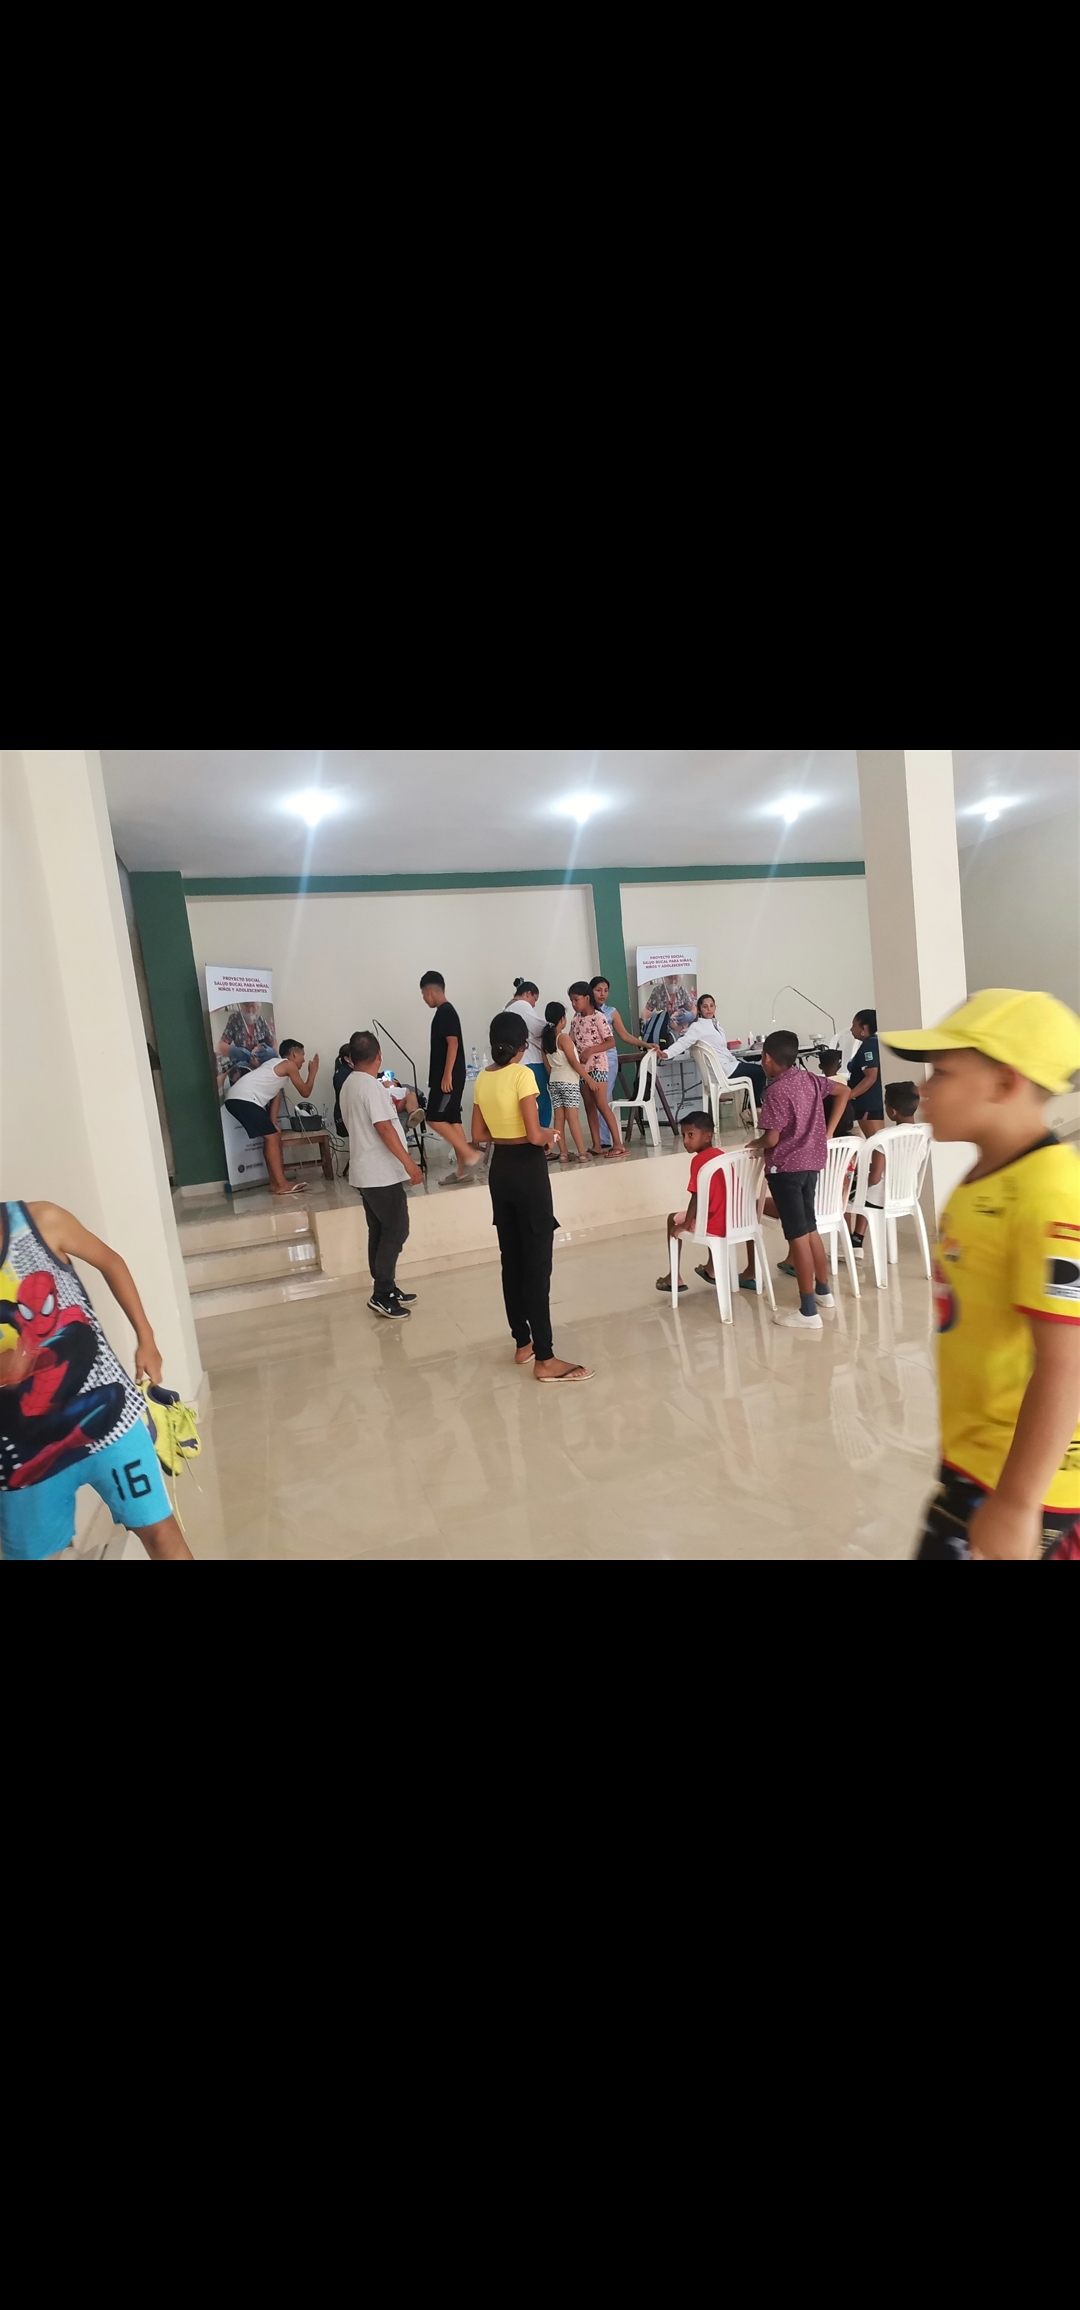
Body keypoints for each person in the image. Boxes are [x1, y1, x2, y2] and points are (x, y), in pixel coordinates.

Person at [879, 990, 1080, 1563]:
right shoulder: (983, 1177)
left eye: (942, 1072)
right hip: (976, 1464)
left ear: (1004, 1082)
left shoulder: (1051, 1196)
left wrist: (1018, 1503)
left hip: (1028, 1484)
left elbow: (1067, 1364)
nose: (924, 1088)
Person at [0, 1200, 193, 1560]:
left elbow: (111, 1262)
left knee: (161, 1534)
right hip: (23, 1452)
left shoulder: (41, 1221)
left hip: (112, 1426)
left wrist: (146, 1337)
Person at [471, 1015, 593, 1383]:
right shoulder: (522, 1075)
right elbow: (534, 1134)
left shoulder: (483, 1078)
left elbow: (478, 1133)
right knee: (537, 1265)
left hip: (501, 1173)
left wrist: (511, 1134)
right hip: (527, 1173)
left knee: (511, 1261)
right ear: (523, 1045)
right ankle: (546, 1358)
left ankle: (522, 1342)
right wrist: (551, 1134)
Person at [745, 1031, 841, 1331]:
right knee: (810, 1228)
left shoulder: (775, 1092)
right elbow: (844, 1091)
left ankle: (808, 1310)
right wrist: (829, 1131)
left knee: (797, 1237)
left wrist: (756, 1143)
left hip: (786, 1170)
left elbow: (772, 1139)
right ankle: (824, 1292)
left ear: (767, 1058)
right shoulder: (809, 1079)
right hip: (811, 1165)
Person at [340, 1033, 425, 1321]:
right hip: (380, 1172)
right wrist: (410, 1164)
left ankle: (386, 1285)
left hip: (366, 1170)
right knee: (397, 1230)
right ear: (379, 1055)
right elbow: (384, 1129)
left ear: (351, 1058)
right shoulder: (370, 1086)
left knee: (379, 1230)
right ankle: (382, 1293)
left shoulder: (350, 1083)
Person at [223, 1040, 321, 1197]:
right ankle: (282, 1184)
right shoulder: (289, 1065)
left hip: (236, 1099)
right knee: (272, 1138)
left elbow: (275, 1096)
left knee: (272, 1136)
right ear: (294, 1054)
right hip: (244, 1099)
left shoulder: (274, 1066)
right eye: (303, 1055)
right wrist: (313, 1072)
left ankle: (275, 1183)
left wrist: (273, 1122)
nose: (304, 1060)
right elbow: (305, 1092)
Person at [846, 1081, 923, 1258]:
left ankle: (848, 1246)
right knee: (866, 1188)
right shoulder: (922, 1133)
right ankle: (857, 1238)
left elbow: (874, 1179)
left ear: (892, 1111)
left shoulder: (884, 1138)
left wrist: (859, 1175)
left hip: (880, 1198)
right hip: (906, 1194)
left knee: (844, 1190)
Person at [420, 972, 482, 1186]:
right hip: (450, 1075)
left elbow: (452, 1043)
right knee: (453, 1119)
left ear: (430, 990)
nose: (424, 999)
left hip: (448, 1077)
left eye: (423, 994)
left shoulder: (445, 1012)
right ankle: (463, 1171)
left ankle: (469, 1154)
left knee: (434, 1117)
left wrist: (447, 1075)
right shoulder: (444, 1012)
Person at [656, 1114, 727, 1294]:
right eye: (683, 1135)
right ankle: (711, 1268)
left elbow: (696, 1198)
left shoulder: (699, 1160)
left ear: (708, 1136)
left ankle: (674, 1277)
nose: (685, 1141)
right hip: (732, 1220)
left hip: (714, 1224)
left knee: (672, 1219)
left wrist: (685, 1225)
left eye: (691, 1135)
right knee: (706, 1211)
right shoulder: (722, 1156)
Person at [663, 996, 767, 1110]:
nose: (709, 1009)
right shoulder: (697, 1027)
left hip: (728, 1065)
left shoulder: (716, 1024)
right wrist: (667, 1053)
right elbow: (683, 1042)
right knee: (761, 1072)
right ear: (699, 1010)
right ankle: (755, 1108)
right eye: (705, 1006)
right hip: (722, 1070)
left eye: (711, 1006)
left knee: (755, 1071)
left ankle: (753, 1107)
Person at [588, 977, 648, 1147]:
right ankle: (599, 1141)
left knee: (602, 1098)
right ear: (590, 991)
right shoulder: (582, 1013)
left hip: (608, 1059)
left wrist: (645, 1044)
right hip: (589, 1061)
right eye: (598, 990)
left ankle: (606, 1141)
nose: (602, 994)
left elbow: (625, 1035)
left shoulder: (611, 1012)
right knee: (592, 1101)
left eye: (606, 990)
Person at [568, 984, 626, 1158]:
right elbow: (571, 1041)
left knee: (601, 1103)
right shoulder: (575, 1020)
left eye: (576, 1000)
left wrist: (591, 1051)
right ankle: (597, 1144)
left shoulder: (599, 1017)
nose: (574, 1004)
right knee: (589, 1106)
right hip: (582, 1069)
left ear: (587, 998)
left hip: (598, 1066)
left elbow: (610, 1042)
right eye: (571, 1001)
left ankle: (618, 1143)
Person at [542, 1004, 590, 1163]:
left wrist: (554, 1076)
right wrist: (589, 1079)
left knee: (558, 1119)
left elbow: (547, 1064)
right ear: (562, 1019)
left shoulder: (545, 1040)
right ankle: (582, 1153)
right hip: (568, 1081)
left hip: (554, 1081)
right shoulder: (563, 1038)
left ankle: (563, 1153)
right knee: (573, 1118)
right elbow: (574, 1062)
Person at [506, 980, 554, 1132]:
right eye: (534, 1000)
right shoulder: (521, 1005)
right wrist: (557, 1029)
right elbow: (540, 1029)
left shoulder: (507, 1009)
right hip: (532, 1061)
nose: (533, 1005)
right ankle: (542, 1139)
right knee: (541, 1102)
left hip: (518, 1062)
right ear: (528, 994)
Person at [848, 1010, 885, 1138]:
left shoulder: (869, 1045)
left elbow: (871, 1076)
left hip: (868, 1105)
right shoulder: (871, 1043)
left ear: (863, 1028)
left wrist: (849, 1095)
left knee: (876, 1142)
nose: (851, 1029)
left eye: (853, 1025)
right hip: (868, 1103)